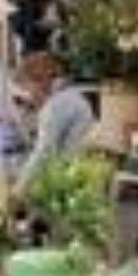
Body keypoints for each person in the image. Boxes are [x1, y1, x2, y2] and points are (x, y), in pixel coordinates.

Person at [16, 50, 94, 183]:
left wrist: (19, 187)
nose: (27, 95)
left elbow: (42, 153)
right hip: (81, 168)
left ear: (38, 82)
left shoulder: (56, 106)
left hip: (73, 175)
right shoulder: (69, 96)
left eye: (26, 88)